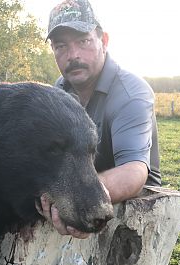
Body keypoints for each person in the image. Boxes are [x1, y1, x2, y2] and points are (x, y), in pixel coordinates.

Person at [37, 0, 161, 239]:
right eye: (61, 46)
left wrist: (81, 201)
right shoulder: (58, 92)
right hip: (80, 190)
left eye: (83, 41)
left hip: (132, 208)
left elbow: (134, 171)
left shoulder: (131, 93)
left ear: (103, 41)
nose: (73, 55)